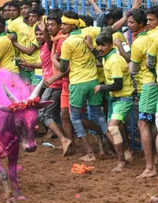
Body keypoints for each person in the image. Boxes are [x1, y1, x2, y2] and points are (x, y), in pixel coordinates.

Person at [48, 11, 107, 162]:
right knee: (99, 117)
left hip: (77, 84)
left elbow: (63, 68)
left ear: (73, 24)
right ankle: (119, 150)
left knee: (75, 119)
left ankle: (90, 153)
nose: (62, 27)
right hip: (93, 81)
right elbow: (110, 29)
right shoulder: (90, 31)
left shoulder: (68, 42)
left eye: (64, 24)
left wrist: (53, 58)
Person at [95, 30, 134, 172]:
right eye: (98, 45)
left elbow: (118, 85)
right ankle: (127, 151)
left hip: (123, 98)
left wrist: (101, 87)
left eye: (103, 46)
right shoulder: (107, 57)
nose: (100, 48)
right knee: (119, 126)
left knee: (112, 127)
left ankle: (121, 161)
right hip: (116, 99)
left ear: (111, 45)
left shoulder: (114, 60)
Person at [31, 24, 72, 156]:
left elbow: (64, 68)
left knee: (44, 114)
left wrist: (46, 33)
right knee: (56, 115)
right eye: (37, 33)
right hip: (51, 82)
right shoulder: (51, 43)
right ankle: (67, 140)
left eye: (41, 33)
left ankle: (64, 139)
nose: (39, 36)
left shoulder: (55, 42)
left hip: (54, 83)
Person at [128, 9, 158, 178]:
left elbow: (134, 68)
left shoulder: (142, 41)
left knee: (143, 123)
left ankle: (150, 167)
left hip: (149, 85)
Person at [9, 7, 43, 85]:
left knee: (35, 92)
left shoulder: (39, 30)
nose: (31, 19)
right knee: (26, 88)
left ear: (39, 18)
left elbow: (30, 51)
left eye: (33, 16)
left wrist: (14, 42)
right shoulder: (30, 28)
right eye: (30, 16)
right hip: (25, 65)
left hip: (36, 66)